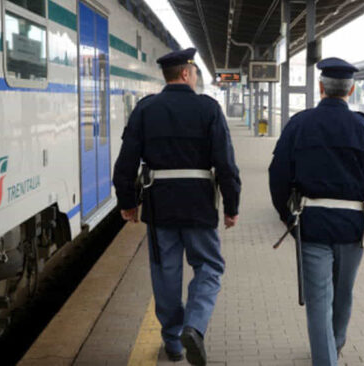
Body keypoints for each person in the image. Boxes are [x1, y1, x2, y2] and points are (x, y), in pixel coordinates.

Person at [113, 48, 241, 366]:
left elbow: (125, 162)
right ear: (185, 73)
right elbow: (226, 163)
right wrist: (231, 205)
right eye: (195, 72)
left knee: (165, 272)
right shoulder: (209, 109)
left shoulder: (146, 109)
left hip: (160, 205)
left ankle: (172, 341)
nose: (196, 77)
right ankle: (194, 327)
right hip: (199, 205)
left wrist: (128, 203)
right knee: (209, 267)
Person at [269, 57, 364, 366]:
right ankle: (333, 347)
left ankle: (328, 351)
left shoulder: (300, 124)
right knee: (343, 294)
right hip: (352, 227)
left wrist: (288, 217)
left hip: (311, 225)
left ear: (321, 88)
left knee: (318, 300)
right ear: (351, 90)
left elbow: (277, 175)